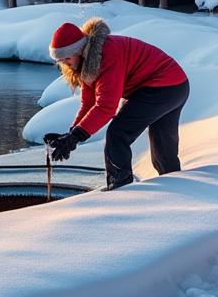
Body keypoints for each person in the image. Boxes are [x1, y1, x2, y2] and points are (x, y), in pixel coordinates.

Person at [43, 18, 189, 190]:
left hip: (163, 86)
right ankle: (175, 186)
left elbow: (106, 107)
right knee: (163, 145)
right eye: (60, 60)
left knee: (118, 133)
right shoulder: (88, 61)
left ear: (79, 49)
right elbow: (89, 102)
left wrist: (76, 136)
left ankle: (120, 188)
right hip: (175, 85)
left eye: (67, 57)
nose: (65, 63)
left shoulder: (107, 55)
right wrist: (70, 135)